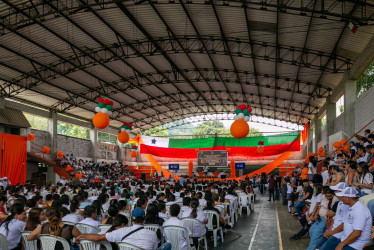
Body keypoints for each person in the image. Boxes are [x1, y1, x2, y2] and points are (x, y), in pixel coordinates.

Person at [76, 207, 159, 250]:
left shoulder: (121, 231)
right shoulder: (152, 234)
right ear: (144, 218)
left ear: (131, 219)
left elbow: (98, 238)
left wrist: (82, 236)